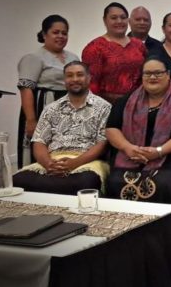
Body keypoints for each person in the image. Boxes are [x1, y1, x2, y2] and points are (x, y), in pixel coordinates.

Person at [105, 57, 171, 203]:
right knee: (115, 181)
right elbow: (111, 128)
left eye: (158, 73)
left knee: (165, 183)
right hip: (131, 157)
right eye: (147, 73)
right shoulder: (127, 101)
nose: (152, 77)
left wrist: (159, 151)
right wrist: (127, 147)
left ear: (168, 74)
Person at [13, 61, 111, 195]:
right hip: (53, 160)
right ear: (64, 80)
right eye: (70, 76)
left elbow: (102, 143)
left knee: (85, 183)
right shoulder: (51, 109)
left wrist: (74, 163)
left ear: (89, 78)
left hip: (87, 162)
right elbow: (39, 141)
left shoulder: (104, 107)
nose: (75, 79)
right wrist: (49, 164)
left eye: (80, 75)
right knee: (18, 180)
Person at [16, 15, 80, 167]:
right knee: (40, 144)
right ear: (44, 34)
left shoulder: (73, 57)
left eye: (64, 33)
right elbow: (26, 90)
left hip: (67, 106)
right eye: (55, 32)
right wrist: (31, 120)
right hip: (42, 106)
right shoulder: (33, 58)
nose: (60, 36)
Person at [82, 2, 147, 104]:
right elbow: (92, 84)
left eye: (123, 17)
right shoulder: (95, 47)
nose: (119, 21)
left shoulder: (139, 45)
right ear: (105, 20)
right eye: (114, 18)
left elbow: (145, 75)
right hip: (107, 105)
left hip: (138, 104)